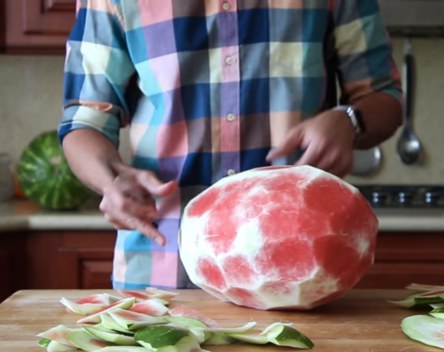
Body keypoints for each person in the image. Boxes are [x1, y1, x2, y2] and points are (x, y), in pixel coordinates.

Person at [59, 0, 403, 289]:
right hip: (163, 266)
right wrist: (111, 181)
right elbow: (84, 117)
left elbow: (384, 97)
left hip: (297, 270)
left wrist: (349, 120)